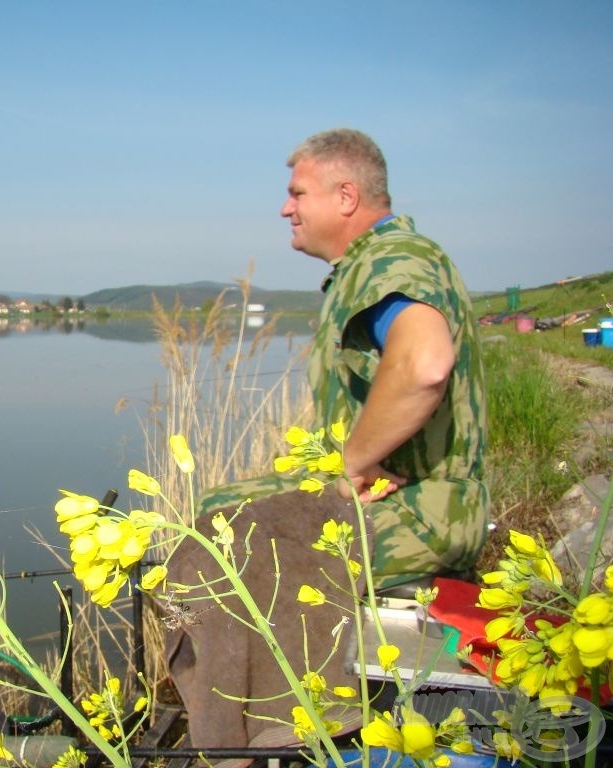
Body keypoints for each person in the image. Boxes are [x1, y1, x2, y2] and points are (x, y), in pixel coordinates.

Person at [164, 128, 488, 750]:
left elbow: (425, 363)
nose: (286, 208)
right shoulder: (365, 267)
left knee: (224, 551)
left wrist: (352, 464)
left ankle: (256, 740)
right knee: (215, 512)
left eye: (296, 193)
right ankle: (249, 720)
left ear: (346, 196)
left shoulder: (395, 260)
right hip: (400, 490)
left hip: (432, 507)